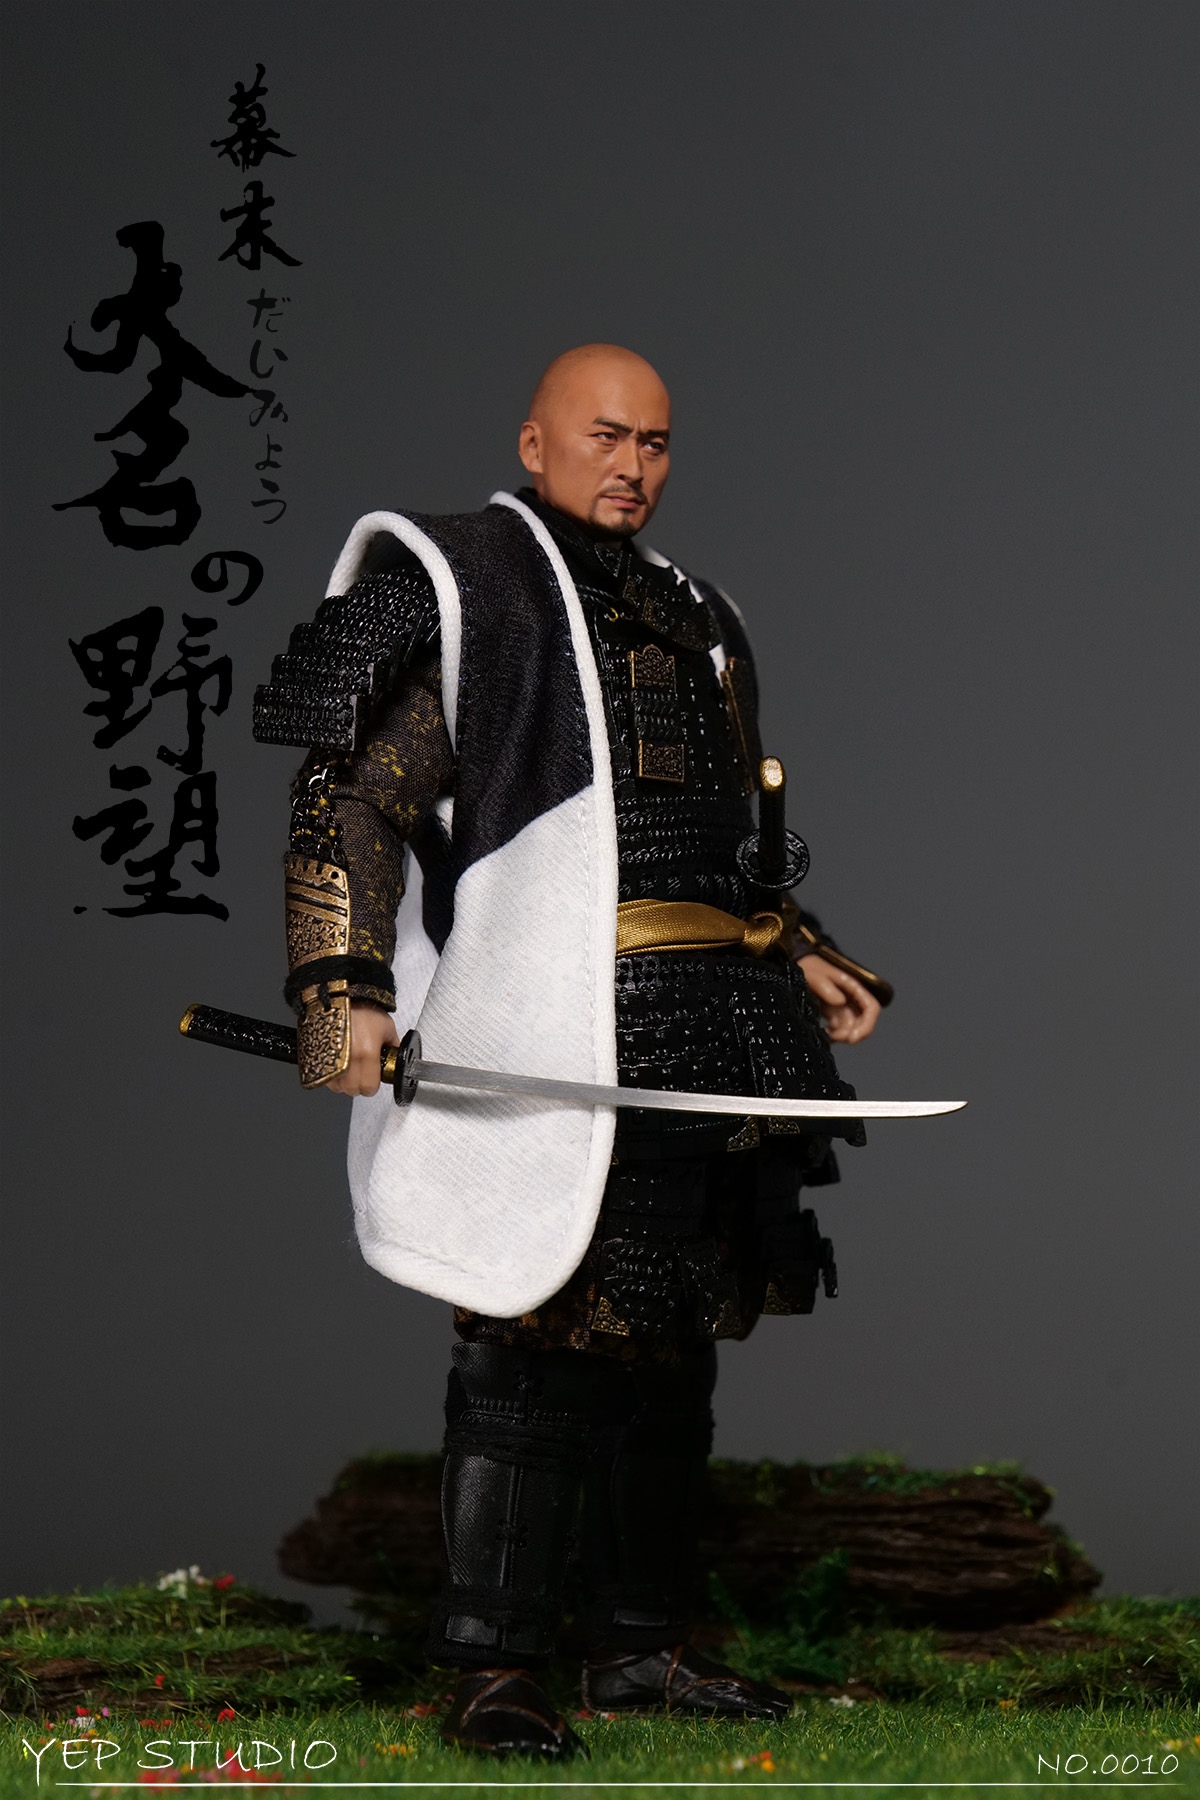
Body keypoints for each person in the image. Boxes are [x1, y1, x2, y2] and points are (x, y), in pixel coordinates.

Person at [254, 344, 884, 1758]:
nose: (634, 466)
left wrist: (800, 944)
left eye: (656, 443)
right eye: (606, 436)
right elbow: (349, 793)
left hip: (710, 1025)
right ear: (535, 442)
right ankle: (492, 1664)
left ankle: (640, 1643)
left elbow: (728, 832)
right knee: (535, 1341)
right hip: (554, 1012)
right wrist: (341, 983)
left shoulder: (701, 613)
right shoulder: (466, 582)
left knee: (669, 1338)